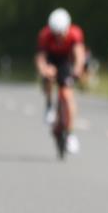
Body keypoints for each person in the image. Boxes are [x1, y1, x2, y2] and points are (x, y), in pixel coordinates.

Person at [35, 8, 86, 154]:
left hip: (65, 61)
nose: (58, 37)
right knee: (49, 75)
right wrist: (44, 70)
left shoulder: (74, 34)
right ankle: (49, 105)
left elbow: (79, 55)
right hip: (51, 59)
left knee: (68, 96)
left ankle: (70, 134)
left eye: (61, 34)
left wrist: (77, 71)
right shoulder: (45, 35)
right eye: (55, 34)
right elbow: (41, 58)